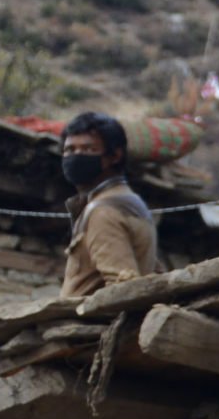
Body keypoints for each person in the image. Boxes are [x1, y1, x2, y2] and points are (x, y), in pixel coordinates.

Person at [56, 109, 160, 296]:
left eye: (89, 149)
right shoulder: (126, 201)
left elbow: (122, 288)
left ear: (114, 156)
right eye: (70, 150)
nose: (76, 156)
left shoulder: (104, 211)